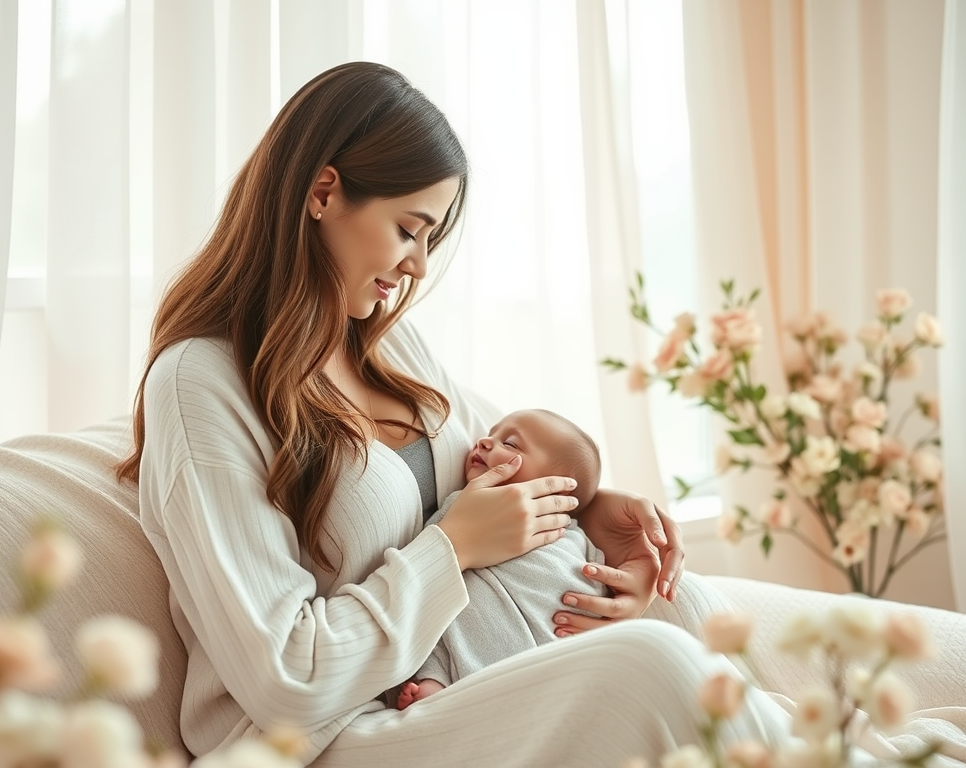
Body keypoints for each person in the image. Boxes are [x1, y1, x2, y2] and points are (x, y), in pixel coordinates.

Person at [117, 61, 792, 766]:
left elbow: (504, 464)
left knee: (685, 604)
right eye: (409, 230)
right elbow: (286, 677)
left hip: (456, 679)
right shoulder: (201, 384)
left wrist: (588, 508)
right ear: (323, 192)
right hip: (332, 736)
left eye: (430, 241)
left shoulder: (391, 348)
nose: (416, 266)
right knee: (650, 664)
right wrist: (452, 549)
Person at [395, 407, 621, 710]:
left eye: (510, 444)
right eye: (491, 434)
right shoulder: (463, 506)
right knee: (440, 643)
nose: (485, 442)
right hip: (476, 638)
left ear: (558, 486)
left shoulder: (572, 535)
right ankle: (435, 687)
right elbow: (432, 549)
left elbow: (596, 576)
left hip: (556, 640)